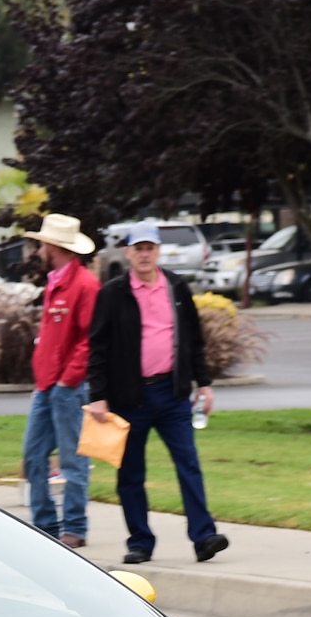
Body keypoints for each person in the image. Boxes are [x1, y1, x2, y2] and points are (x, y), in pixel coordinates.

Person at [85, 221, 229, 564]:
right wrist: (98, 394)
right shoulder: (114, 293)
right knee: (131, 473)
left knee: (188, 464)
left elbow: (193, 340)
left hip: (173, 394)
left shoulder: (176, 287)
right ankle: (140, 542)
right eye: (139, 248)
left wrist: (204, 383)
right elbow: (98, 348)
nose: (145, 254)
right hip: (128, 398)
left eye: (150, 248)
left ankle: (204, 537)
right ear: (128, 253)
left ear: (158, 251)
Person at [22, 212, 101, 547]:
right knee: (32, 456)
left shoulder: (84, 285)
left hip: (66, 387)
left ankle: (74, 527)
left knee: (73, 458)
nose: (39, 246)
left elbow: (89, 338)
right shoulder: (57, 281)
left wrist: (69, 379)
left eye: (42, 241)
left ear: (53, 245)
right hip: (48, 385)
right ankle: (45, 525)